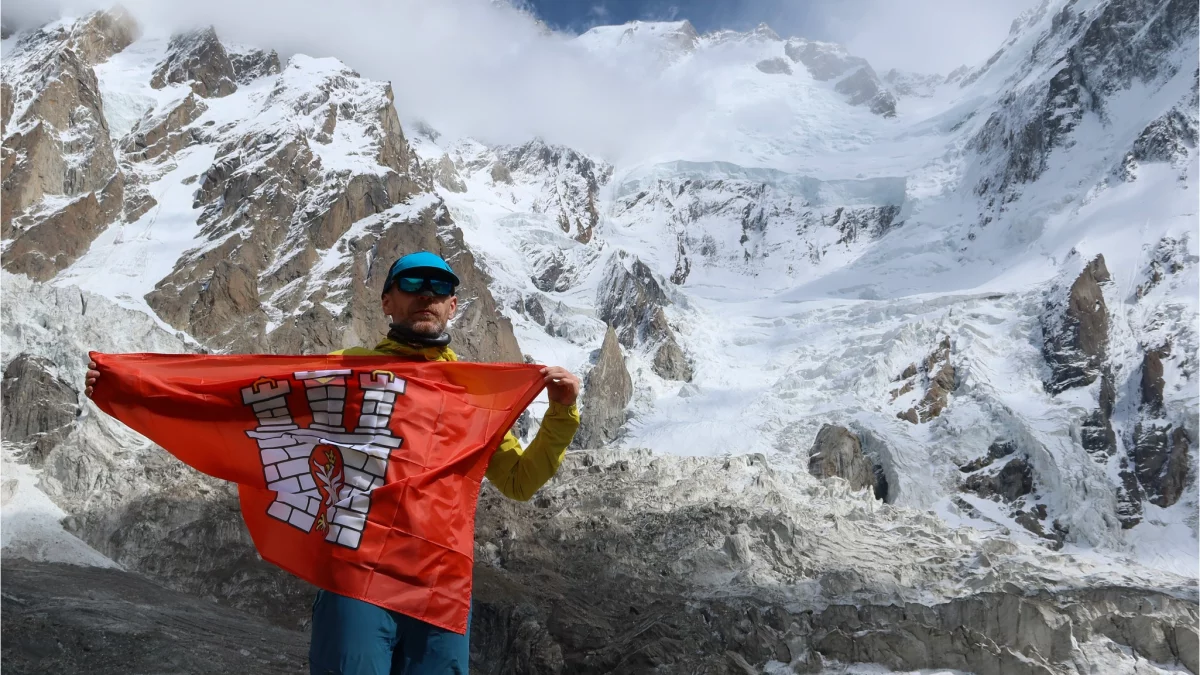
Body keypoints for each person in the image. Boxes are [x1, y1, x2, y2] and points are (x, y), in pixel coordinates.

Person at [86, 250, 581, 675]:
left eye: (440, 286)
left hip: (440, 583)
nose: (425, 294)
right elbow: (233, 398)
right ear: (388, 301)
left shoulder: (473, 394)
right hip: (357, 574)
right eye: (411, 283)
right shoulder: (346, 371)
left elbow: (519, 481)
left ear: (453, 305)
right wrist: (130, 385)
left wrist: (561, 412)